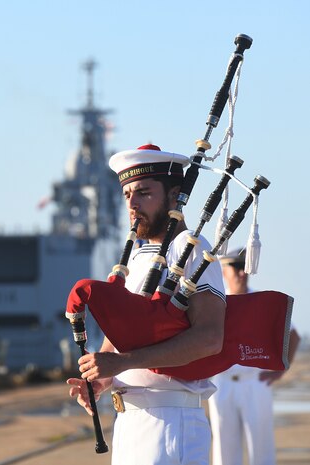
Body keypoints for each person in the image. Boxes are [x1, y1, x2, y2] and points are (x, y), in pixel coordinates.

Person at [67, 144, 227, 465]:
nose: (133, 203)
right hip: (128, 422)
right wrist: (102, 378)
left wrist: (123, 363)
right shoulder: (137, 257)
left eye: (143, 192)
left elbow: (210, 338)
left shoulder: (192, 249)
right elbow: (121, 340)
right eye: (127, 195)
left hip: (171, 423)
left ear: (174, 196)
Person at [208, 248, 301, 465]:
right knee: (224, 451)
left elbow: (293, 334)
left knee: (262, 449)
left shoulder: (260, 301)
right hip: (222, 385)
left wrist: (281, 369)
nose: (242, 273)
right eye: (236, 267)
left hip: (255, 382)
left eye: (245, 267)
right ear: (223, 271)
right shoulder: (215, 303)